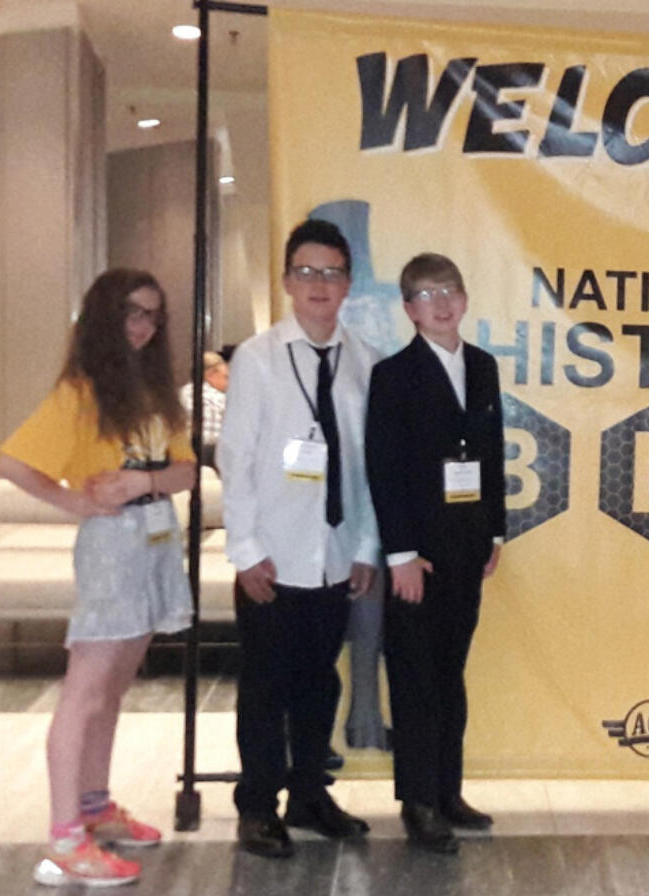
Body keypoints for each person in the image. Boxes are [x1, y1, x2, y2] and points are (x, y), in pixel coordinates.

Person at [0, 269, 195, 887]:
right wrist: (73, 503)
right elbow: (11, 462)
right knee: (85, 691)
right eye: (134, 313)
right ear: (106, 316)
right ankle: (64, 840)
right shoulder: (83, 392)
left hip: (158, 535)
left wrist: (144, 481)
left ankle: (94, 805)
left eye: (153, 317)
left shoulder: (156, 392)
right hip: (112, 544)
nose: (144, 326)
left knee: (114, 686)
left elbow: (187, 473)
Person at [217, 219, 378, 858]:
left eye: (332, 273)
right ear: (287, 281)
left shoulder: (364, 360)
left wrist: (365, 548)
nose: (319, 285)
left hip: (336, 558)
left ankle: (310, 793)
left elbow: (370, 465)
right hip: (272, 558)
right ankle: (257, 806)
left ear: (347, 285)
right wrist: (246, 550)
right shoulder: (257, 359)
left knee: (320, 684)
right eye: (307, 272)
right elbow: (237, 459)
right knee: (264, 689)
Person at [366, 252, 506, 854]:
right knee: (416, 677)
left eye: (449, 290)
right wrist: (399, 553)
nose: (440, 302)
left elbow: (494, 454)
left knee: (450, 675)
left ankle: (448, 791)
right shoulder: (392, 375)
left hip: (468, 549)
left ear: (465, 297)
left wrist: (494, 531)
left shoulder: (483, 366)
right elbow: (384, 470)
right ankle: (417, 802)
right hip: (416, 556)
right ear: (409, 310)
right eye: (426, 294)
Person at [178, 351, 228, 470]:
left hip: (185, 456)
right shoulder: (220, 399)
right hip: (213, 457)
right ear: (210, 375)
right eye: (226, 377)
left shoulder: (183, 393)